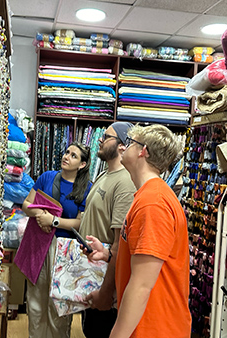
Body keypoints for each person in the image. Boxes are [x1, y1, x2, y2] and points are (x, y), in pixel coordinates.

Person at [86, 124, 190, 338]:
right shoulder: (146, 197)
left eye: (131, 143)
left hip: (154, 328)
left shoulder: (153, 203)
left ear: (144, 151)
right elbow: (143, 259)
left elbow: (142, 285)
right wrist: (108, 254)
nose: (124, 148)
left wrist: (117, 335)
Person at [22, 141, 92, 338]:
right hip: (38, 243)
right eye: (67, 152)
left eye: (73, 156)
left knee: (59, 304)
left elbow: (79, 223)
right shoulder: (47, 177)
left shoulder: (86, 188)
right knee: (35, 301)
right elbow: (27, 204)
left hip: (65, 249)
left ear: (82, 164)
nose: (66, 156)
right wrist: (40, 215)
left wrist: (53, 221)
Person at [79, 122, 136, 338]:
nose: (100, 140)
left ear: (122, 146)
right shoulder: (105, 174)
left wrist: (106, 292)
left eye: (107, 136)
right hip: (91, 272)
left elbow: (119, 244)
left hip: (105, 279)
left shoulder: (125, 183)